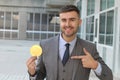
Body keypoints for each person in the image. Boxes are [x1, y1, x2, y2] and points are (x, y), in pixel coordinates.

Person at [26, 5, 113, 80]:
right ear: (60, 22)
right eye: (64, 20)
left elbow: (109, 77)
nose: (67, 24)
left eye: (72, 20)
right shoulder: (45, 45)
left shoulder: (89, 48)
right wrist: (32, 73)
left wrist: (95, 65)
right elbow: (39, 76)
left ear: (79, 22)